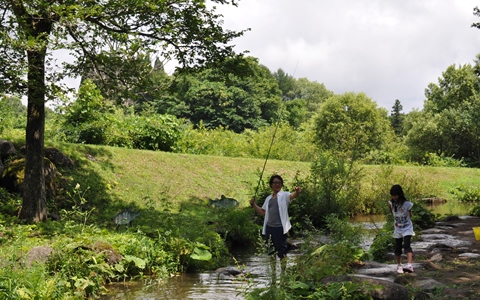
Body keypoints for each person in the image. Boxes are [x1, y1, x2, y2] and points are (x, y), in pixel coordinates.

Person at [250, 175, 301, 274]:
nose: (277, 185)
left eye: (279, 183)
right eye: (275, 183)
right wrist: (253, 205)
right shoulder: (268, 198)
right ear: (271, 185)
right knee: (271, 252)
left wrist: (297, 192)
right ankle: (273, 274)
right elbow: (263, 211)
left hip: (280, 229)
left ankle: (283, 273)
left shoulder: (284, 195)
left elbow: (292, 196)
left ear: (281, 184)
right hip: (269, 228)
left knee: (282, 252)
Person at [388, 184, 415, 274]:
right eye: (392, 195)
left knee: (407, 245)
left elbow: (410, 214)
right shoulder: (391, 204)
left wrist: (406, 220)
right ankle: (399, 265)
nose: (394, 197)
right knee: (397, 248)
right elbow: (392, 212)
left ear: (400, 194)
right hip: (398, 229)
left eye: (395, 195)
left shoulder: (407, 204)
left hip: (407, 228)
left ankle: (409, 265)